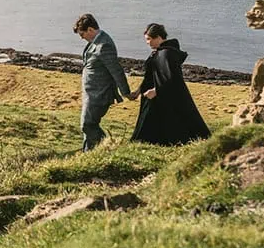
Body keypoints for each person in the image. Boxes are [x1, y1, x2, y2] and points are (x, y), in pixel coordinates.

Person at [131, 22, 211, 145]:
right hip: (153, 96)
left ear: (158, 37)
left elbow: (173, 78)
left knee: (172, 125)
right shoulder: (160, 52)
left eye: (149, 39)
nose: (147, 42)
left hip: (161, 96)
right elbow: (152, 75)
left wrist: (156, 90)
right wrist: (138, 91)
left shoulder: (166, 54)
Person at [74, 13, 132, 151]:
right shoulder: (95, 41)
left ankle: (108, 147)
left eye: (82, 34)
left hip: (99, 94)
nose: (82, 38)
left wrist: (126, 92)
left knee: (87, 125)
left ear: (90, 30)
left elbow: (116, 70)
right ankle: (88, 154)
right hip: (91, 93)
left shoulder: (104, 45)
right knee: (89, 125)